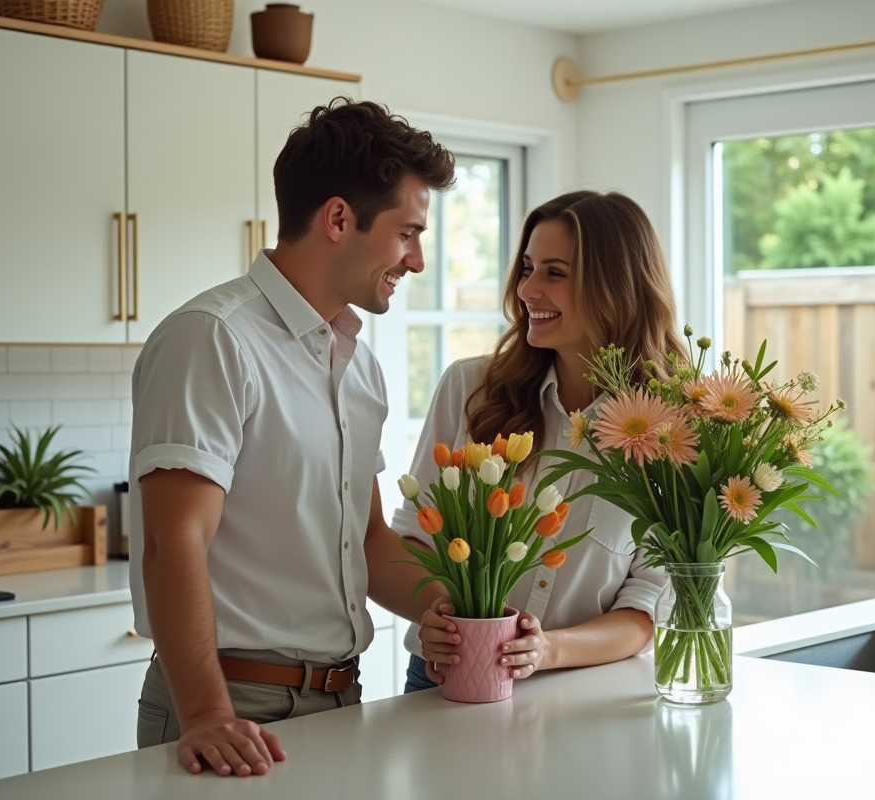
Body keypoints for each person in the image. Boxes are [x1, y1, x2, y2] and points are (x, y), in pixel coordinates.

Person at [128, 98, 455, 777]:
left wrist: (454, 610)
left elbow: (366, 542)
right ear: (339, 218)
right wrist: (207, 715)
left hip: (344, 701)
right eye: (407, 233)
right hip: (232, 707)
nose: (416, 259)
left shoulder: (358, 366)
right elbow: (172, 541)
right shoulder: (214, 338)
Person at [392, 190, 684, 692]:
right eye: (527, 268)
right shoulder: (470, 390)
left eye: (555, 273)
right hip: (448, 680)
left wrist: (544, 650)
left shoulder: (671, 433)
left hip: (574, 690)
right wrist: (440, 614)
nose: (527, 289)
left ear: (616, 288)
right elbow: (413, 538)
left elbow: (644, 610)